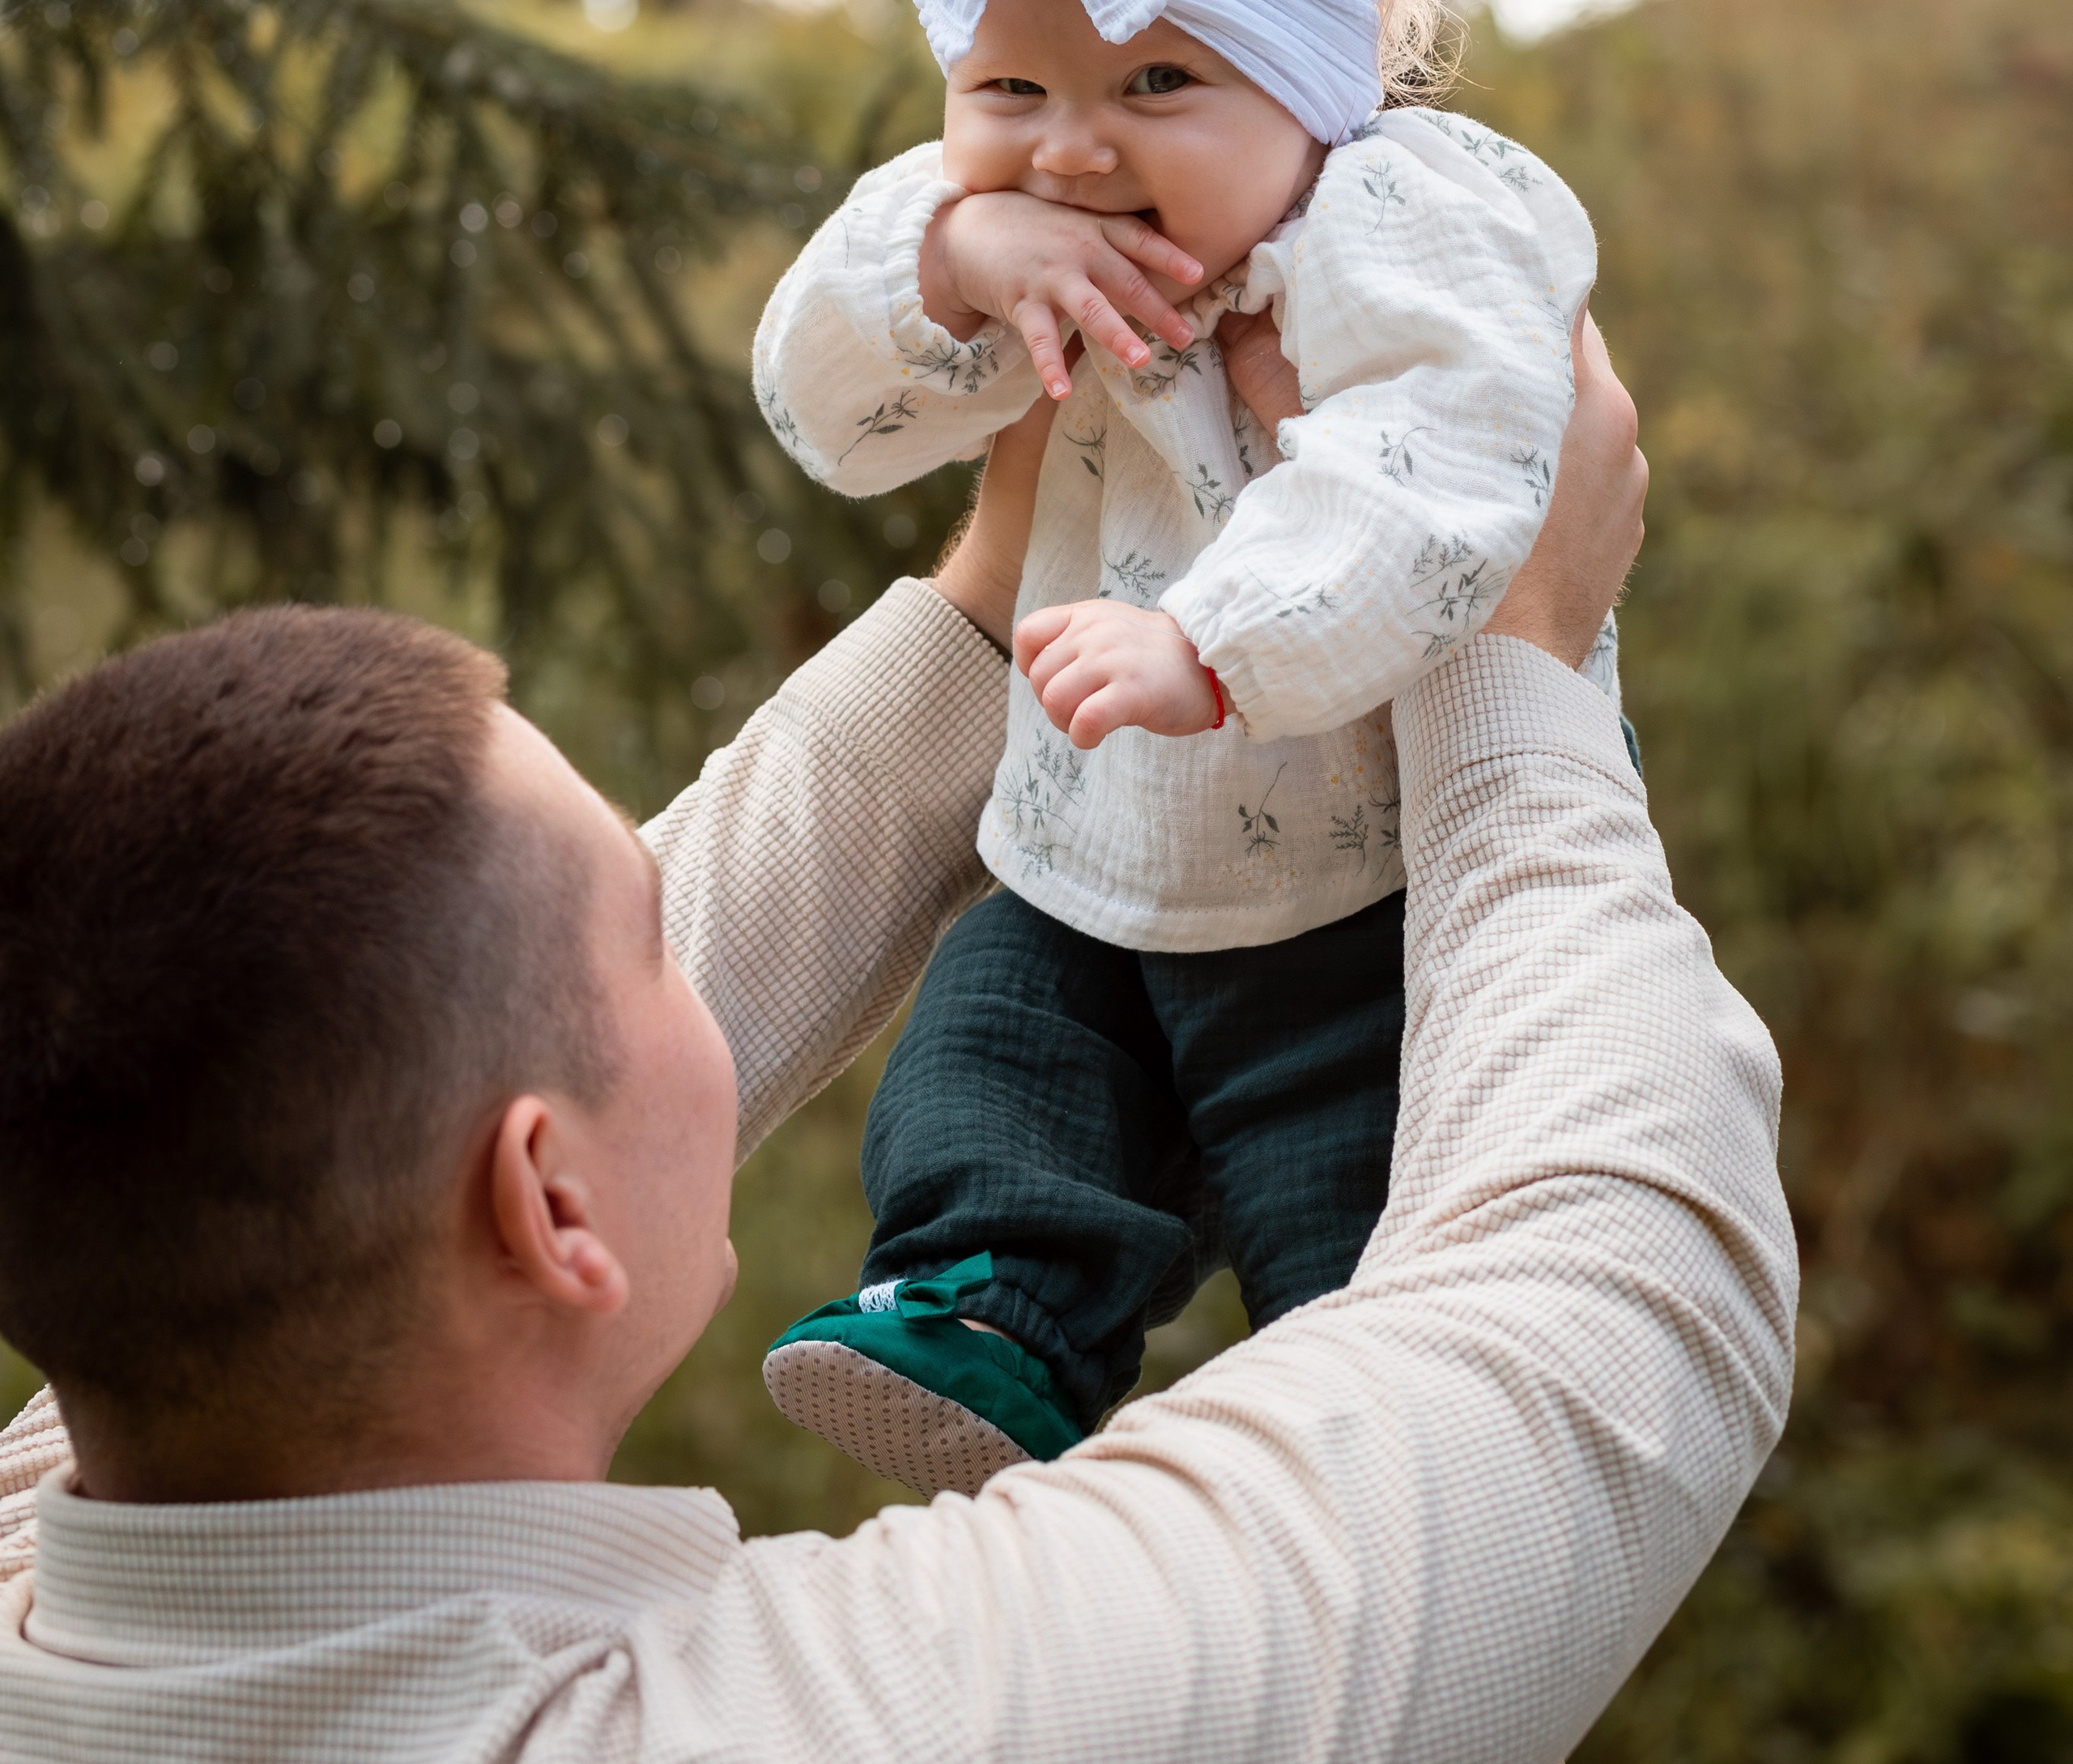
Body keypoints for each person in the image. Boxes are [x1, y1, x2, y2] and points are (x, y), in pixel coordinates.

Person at [0, 309, 1794, 1764]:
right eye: (639, 924)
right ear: (548, 1205)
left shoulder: (83, 1473)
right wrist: (1516, 661)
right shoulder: (884, 1720)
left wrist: (999, 591)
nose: (674, 921)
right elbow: (1606, 1297)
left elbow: (471, 1011)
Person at [754, 0, 1620, 1491]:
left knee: (1346, 1206)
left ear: (1316, 73)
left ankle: (1364, 1438)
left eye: (1157, 78)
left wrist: (1208, 637)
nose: (1074, 141)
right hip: (1083, 842)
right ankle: (992, 1307)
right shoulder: (1023, 234)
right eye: (1012, 83)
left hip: (1351, 887)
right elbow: (823, 407)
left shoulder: (1398, 216)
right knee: (985, 1057)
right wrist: (947, 246)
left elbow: (1449, 467)